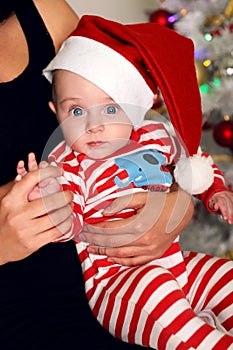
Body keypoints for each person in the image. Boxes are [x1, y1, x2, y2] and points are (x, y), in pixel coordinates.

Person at [18, 15, 233, 349]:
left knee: (226, 278)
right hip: (118, 286)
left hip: (178, 266)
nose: (93, 125)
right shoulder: (67, 164)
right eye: (76, 111)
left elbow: (195, 164)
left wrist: (216, 191)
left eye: (109, 110)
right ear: (55, 112)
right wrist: (45, 195)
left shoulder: (157, 136)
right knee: (158, 290)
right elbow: (67, 223)